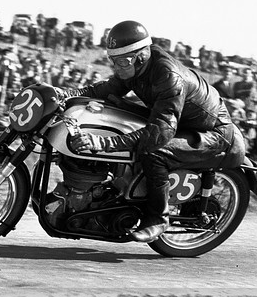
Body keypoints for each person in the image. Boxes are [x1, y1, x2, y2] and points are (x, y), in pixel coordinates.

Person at [63, 21, 245, 242]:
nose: (117, 67)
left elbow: (161, 132)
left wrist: (102, 143)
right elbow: (107, 89)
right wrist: (67, 94)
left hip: (211, 132)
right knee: (115, 107)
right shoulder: (136, 68)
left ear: (140, 56)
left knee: (154, 150)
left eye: (122, 61)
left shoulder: (168, 76)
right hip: (179, 122)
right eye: (113, 61)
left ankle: (158, 218)